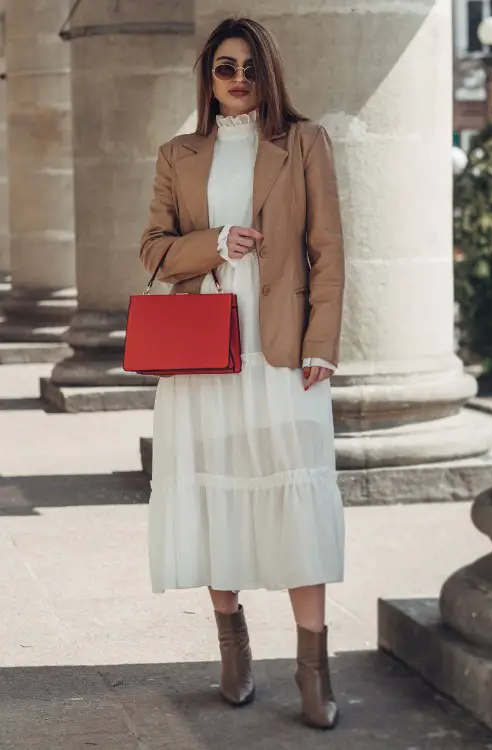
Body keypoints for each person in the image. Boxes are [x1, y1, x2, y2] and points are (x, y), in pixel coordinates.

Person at [140, 16, 345, 731]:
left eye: (249, 67)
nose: (236, 80)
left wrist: (323, 342)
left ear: (268, 72)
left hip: (285, 354)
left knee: (299, 499)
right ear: (208, 75)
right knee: (216, 497)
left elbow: (328, 249)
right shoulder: (178, 153)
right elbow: (154, 250)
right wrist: (215, 243)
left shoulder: (305, 141)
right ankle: (233, 651)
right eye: (224, 67)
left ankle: (313, 672)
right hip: (203, 359)